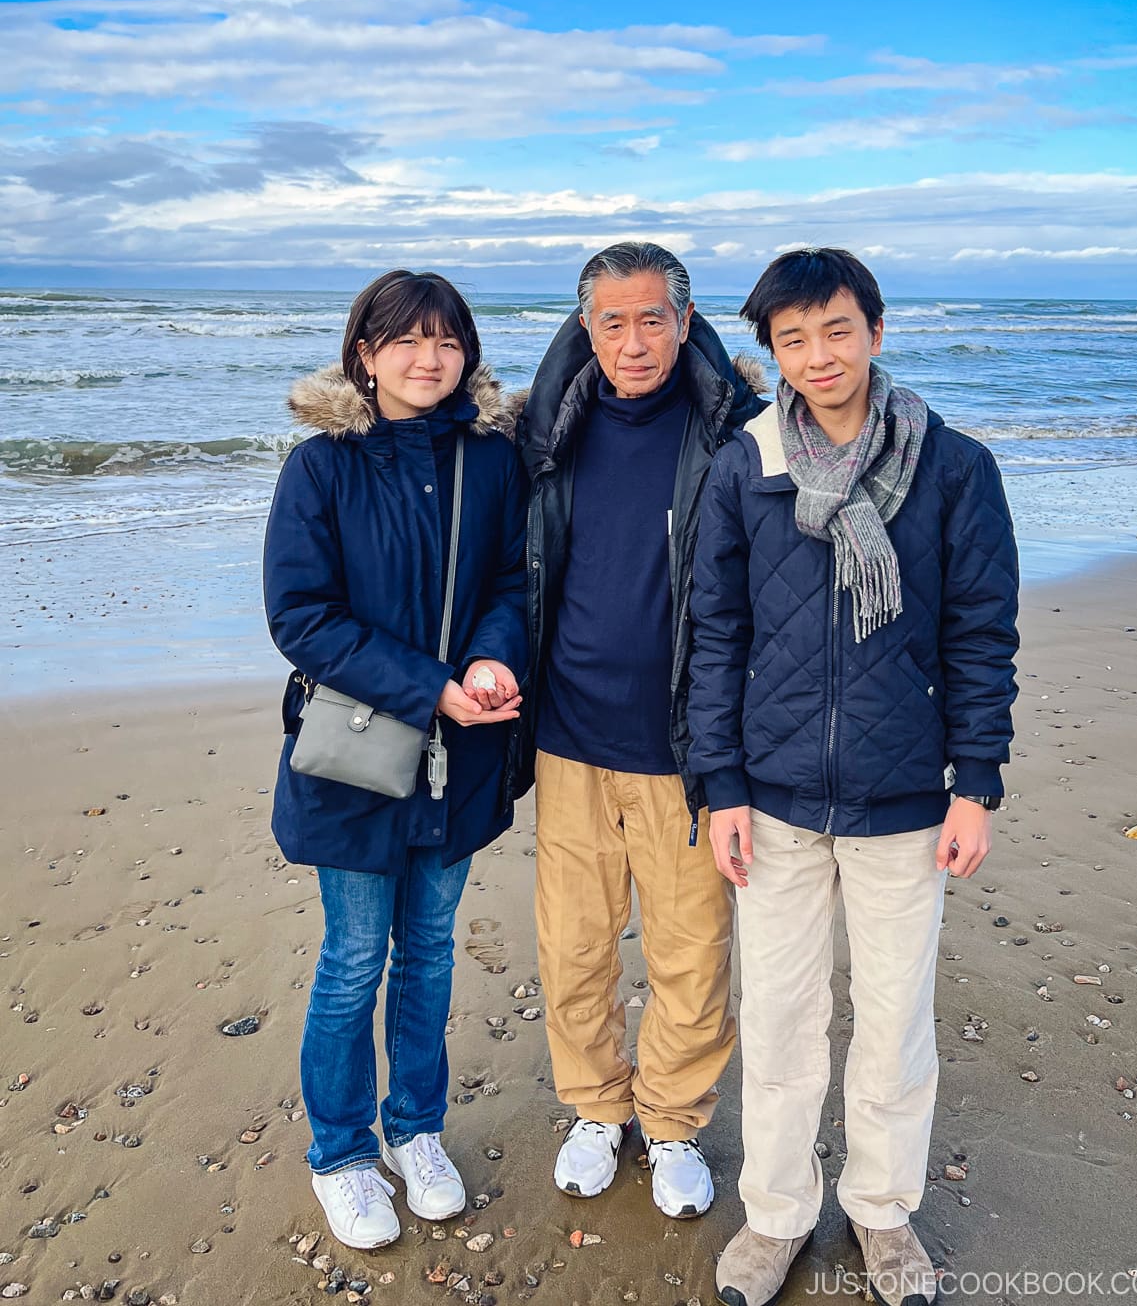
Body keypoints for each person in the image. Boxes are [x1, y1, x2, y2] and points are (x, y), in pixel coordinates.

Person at [687, 247, 1018, 1306]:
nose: (819, 355)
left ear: (875, 329)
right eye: (793, 339)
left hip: (905, 799)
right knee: (779, 1022)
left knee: (892, 1021)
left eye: (837, 330)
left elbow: (980, 634)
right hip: (773, 801)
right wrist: (720, 785)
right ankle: (777, 1217)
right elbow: (715, 634)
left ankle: (882, 1215)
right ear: (771, 351)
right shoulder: (747, 465)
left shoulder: (954, 466)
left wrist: (977, 782)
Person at [264, 270, 527, 1251]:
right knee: (349, 965)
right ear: (365, 355)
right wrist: (427, 686)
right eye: (407, 342)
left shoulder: (490, 461)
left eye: (448, 341)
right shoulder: (321, 468)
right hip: (358, 763)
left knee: (428, 954)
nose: (430, 359)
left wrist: (495, 654)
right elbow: (303, 620)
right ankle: (340, 1155)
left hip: (460, 759)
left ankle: (416, 1132)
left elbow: (511, 578)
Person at [515, 240, 765, 1218]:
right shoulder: (544, 433)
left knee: (689, 951)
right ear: (587, 327)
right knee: (574, 946)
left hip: (683, 745)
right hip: (570, 736)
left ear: (684, 322)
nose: (632, 339)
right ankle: (595, 1108)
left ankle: (670, 1124)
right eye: (611, 320)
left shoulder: (737, 434)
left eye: (651, 317)